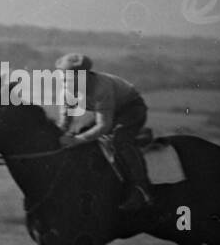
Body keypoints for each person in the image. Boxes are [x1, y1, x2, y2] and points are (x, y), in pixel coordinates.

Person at [55, 52, 152, 211]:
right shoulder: (66, 92)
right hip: (109, 111)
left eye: (69, 77)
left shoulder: (101, 87)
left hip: (131, 109)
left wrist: (77, 140)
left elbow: (104, 126)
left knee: (118, 141)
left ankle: (141, 190)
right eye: (62, 76)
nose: (65, 81)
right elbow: (64, 125)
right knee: (78, 133)